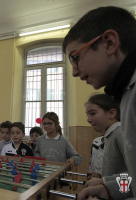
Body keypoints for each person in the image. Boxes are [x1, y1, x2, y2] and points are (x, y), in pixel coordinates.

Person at [62, 6, 136, 199]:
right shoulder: (126, 93)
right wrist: (110, 187)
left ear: (109, 43)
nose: (74, 72)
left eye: (75, 59)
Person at [86, 94, 127, 178]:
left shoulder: (121, 135)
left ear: (111, 113)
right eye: (87, 115)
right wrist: (102, 177)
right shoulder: (110, 136)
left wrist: (106, 184)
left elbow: (132, 175)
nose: (88, 119)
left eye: (92, 113)